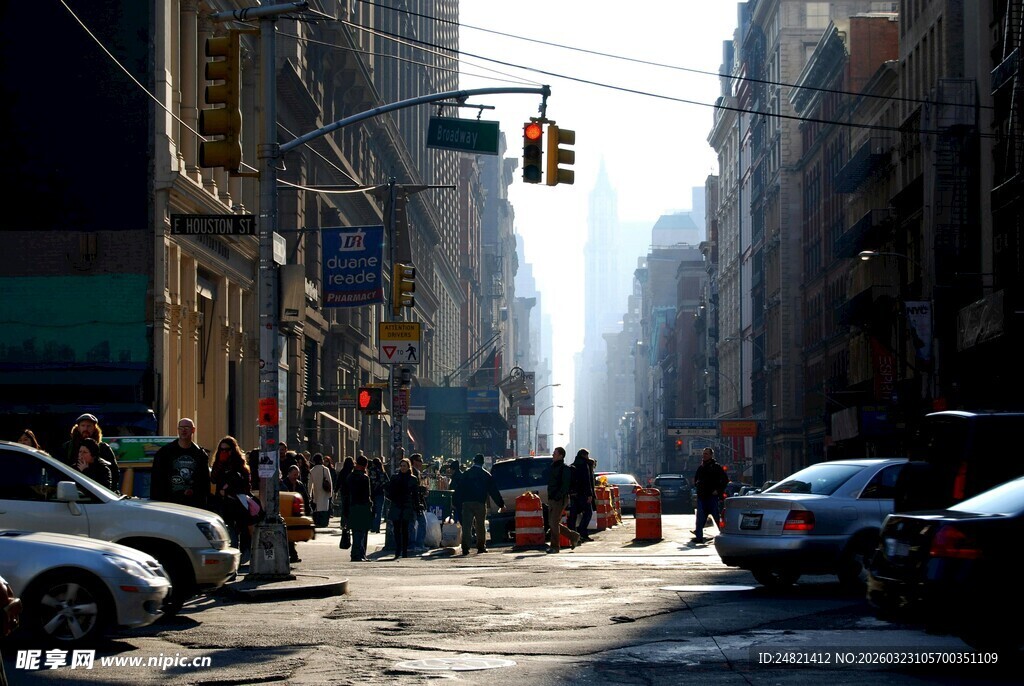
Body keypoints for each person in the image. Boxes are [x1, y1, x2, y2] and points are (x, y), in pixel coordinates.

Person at [211, 436, 256, 562]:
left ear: (233, 450)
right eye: (221, 449)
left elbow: (246, 485)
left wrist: (230, 490)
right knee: (230, 532)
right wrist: (220, 463)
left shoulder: (240, 465)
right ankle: (234, 559)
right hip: (224, 504)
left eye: (227, 449)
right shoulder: (218, 464)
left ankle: (244, 554)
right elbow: (213, 479)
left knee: (243, 530)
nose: (224, 452)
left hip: (239, 503)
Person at [151, 418, 211, 510]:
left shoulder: (200, 454)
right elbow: (156, 480)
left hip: (193, 505)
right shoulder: (165, 452)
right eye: (181, 428)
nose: (183, 430)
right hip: (170, 504)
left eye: (187, 427)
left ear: (193, 430)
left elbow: (205, 483)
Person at [456, 454, 505, 555]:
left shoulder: (466, 473)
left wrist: (456, 502)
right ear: (482, 463)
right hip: (480, 503)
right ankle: (481, 546)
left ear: (474, 461)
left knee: (466, 526)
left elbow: (459, 489)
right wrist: (501, 504)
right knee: (480, 525)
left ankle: (465, 548)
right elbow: (493, 491)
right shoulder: (486, 475)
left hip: (467, 503)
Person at [60, 413, 121, 493]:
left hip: (100, 492)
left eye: (89, 426)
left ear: (94, 428)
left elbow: (114, 472)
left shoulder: (103, 448)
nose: (86, 428)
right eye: (83, 425)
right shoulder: (68, 447)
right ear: (78, 428)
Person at [546, 447, 581, 553]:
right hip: (552, 498)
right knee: (553, 522)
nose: (553, 455)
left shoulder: (564, 468)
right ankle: (573, 536)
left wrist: (557, 496)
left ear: (561, 456)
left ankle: (555, 547)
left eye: (555, 453)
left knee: (553, 523)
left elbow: (565, 486)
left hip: (560, 499)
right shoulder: (553, 467)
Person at [692, 447, 728, 543]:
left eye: (706, 454)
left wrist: (718, 491)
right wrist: (697, 485)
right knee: (700, 518)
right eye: (703, 454)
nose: (704, 455)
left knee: (717, 517)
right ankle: (699, 537)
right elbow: (695, 479)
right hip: (702, 497)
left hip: (712, 497)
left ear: (711, 455)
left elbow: (725, 480)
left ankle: (724, 535)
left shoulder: (716, 467)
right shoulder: (701, 467)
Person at [387, 458, 419, 558]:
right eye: (401, 466)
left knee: (405, 529)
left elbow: (415, 494)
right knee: (397, 529)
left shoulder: (413, 479)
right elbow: (390, 491)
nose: (402, 468)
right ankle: (398, 550)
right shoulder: (395, 478)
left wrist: (416, 506)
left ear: (408, 466)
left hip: (407, 505)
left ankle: (404, 551)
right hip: (396, 504)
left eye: (404, 466)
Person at [344, 454, 372, 562]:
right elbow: (367, 495)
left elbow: (346, 493)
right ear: (365, 465)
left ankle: (357, 553)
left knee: (356, 531)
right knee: (362, 532)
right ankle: (359, 554)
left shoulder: (350, 477)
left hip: (352, 507)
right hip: (362, 507)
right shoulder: (365, 478)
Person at [280, 465, 310, 563]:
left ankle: (292, 555)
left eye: (297, 474)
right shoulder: (284, 484)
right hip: (286, 512)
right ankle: (293, 555)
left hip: (296, 513)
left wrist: (307, 511)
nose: (295, 476)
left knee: (291, 535)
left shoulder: (299, 484)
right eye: (294, 474)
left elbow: (305, 498)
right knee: (288, 535)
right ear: (288, 474)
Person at [568, 449, 596, 542]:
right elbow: (587, 481)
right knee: (588, 512)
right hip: (583, 494)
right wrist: (589, 494)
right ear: (584, 455)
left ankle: (573, 535)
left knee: (573, 515)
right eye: (587, 456)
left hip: (573, 494)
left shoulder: (572, 465)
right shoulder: (585, 465)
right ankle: (582, 532)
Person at [409, 453, 429, 552]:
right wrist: (423, 489)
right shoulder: (414, 473)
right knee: (421, 523)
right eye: (420, 460)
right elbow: (415, 488)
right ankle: (417, 544)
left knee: (413, 523)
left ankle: (413, 545)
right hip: (416, 502)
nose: (421, 463)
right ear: (415, 462)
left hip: (415, 501)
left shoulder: (416, 472)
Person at [308, 453, 333, 528]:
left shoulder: (312, 471)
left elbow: (310, 484)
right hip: (325, 492)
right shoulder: (325, 469)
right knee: (324, 508)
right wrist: (331, 494)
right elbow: (330, 482)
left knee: (317, 508)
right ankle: (324, 522)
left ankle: (318, 522)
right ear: (321, 460)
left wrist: (309, 495)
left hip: (316, 492)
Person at [368, 456, 389, 533]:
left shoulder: (371, 470)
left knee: (372, 510)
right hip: (380, 493)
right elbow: (387, 482)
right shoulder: (382, 472)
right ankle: (377, 527)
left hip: (372, 493)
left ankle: (372, 526)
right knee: (379, 511)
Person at [335, 456, 354, 524]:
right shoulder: (353, 471)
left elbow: (339, 481)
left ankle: (343, 522)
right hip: (352, 492)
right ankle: (350, 522)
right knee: (350, 507)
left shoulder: (342, 471)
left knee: (344, 507)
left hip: (344, 491)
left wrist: (336, 490)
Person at [447, 459, 464, 524]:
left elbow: (453, 490)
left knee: (460, 517)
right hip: (462, 500)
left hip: (457, 501)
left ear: (453, 469)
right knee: (462, 517)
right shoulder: (461, 475)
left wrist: (453, 503)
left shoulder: (455, 477)